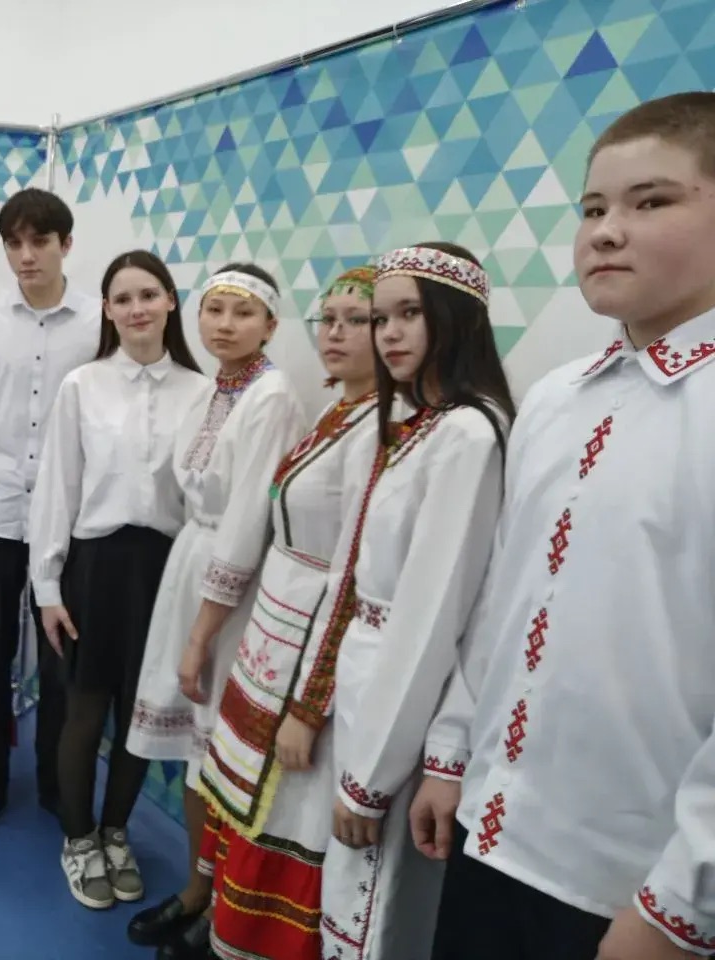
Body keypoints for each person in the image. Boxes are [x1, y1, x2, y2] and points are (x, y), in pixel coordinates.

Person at [417, 92, 715, 960]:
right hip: (491, 830)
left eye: (651, 201)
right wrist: (452, 752)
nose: (606, 232)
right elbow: (505, 596)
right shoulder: (555, 397)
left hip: (628, 887)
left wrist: (681, 904)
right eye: (592, 209)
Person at [283, 242, 513, 960]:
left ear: (456, 315)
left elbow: (433, 617)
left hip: (402, 699)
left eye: (409, 313)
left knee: (374, 910)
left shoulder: (468, 434)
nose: (389, 333)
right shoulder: (413, 423)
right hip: (365, 677)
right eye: (381, 318)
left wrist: (373, 779)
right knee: (348, 896)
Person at [195, 266, 381, 960]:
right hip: (276, 630)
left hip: (309, 652)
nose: (336, 333)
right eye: (328, 319)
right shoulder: (340, 413)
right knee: (252, 800)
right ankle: (220, 926)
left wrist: (310, 704)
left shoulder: (383, 430)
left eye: (359, 321)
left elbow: (353, 576)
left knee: (287, 814)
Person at [125, 264, 308, 959]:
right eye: (214, 310)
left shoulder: (272, 398)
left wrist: (203, 632)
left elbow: (246, 523)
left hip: (234, 591)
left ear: (270, 325)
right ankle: (197, 888)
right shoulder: (212, 389)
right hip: (190, 564)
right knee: (193, 751)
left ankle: (225, 904)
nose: (225, 325)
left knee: (222, 753)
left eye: (243, 312)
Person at [29, 250, 209, 909]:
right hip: (94, 566)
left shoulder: (202, 392)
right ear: (107, 309)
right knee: (84, 708)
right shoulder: (82, 386)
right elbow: (56, 490)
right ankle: (79, 838)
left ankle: (115, 832)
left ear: (170, 302)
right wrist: (47, 588)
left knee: (141, 709)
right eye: (123, 298)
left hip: (165, 569)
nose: (137, 309)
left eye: (148, 295)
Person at [0, 188, 102, 841]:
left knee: (63, 664)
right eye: (14, 243)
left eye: (40, 241)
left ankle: (59, 788)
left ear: (66, 244)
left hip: (70, 522)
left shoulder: (98, 322)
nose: (26, 255)